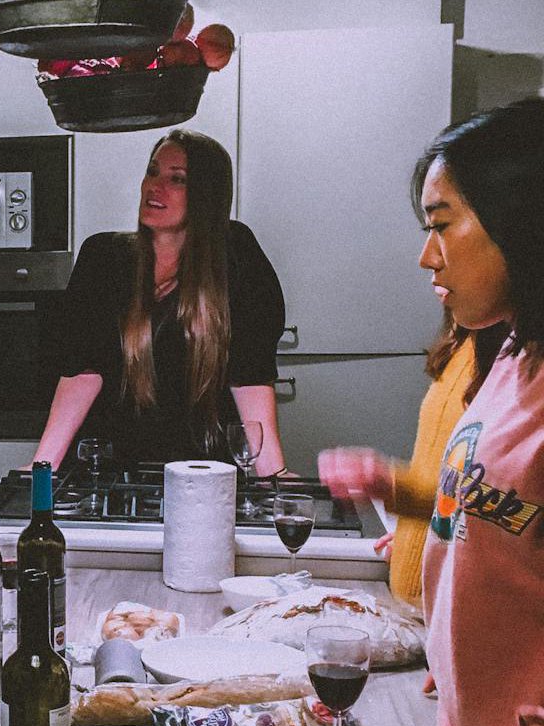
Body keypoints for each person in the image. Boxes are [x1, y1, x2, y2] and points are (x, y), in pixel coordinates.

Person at [410, 97, 544, 726]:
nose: (426, 254)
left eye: (442, 225)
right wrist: (458, 656)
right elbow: (498, 522)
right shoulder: (517, 353)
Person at [31, 129, 289, 476]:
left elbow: (250, 377)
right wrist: (41, 468)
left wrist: (273, 476)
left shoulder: (236, 257)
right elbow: (82, 372)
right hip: (112, 470)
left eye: (177, 179)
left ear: (205, 196)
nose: (155, 186)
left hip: (206, 474)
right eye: (152, 172)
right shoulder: (103, 258)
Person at [318, 313, 506, 607]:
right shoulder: (465, 338)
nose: (428, 264)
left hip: (461, 616)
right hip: (418, 609)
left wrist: (393, 486)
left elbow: (509, 511)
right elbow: (453, 478)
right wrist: (413, 535)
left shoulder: (521, 361)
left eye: (452, 262)